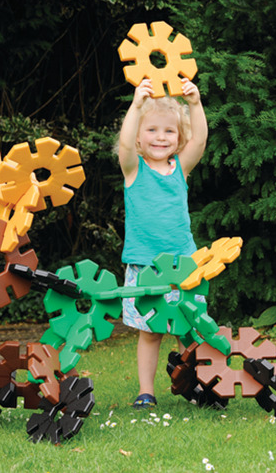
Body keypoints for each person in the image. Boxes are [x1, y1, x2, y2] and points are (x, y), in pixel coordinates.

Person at [117, 77, 207, 409]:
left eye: (169, 131)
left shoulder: (180, 168)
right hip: (145, 266)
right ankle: (146, 392)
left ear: (179, 138)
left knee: (191, 329)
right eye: (151, 130)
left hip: (183, 265)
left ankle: (201, 385)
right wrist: (136, 106)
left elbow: (199, 141)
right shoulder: (133, 170)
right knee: (150, 332)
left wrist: (195, 104)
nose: (160, 137)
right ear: (139, 137)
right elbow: (124, 146)